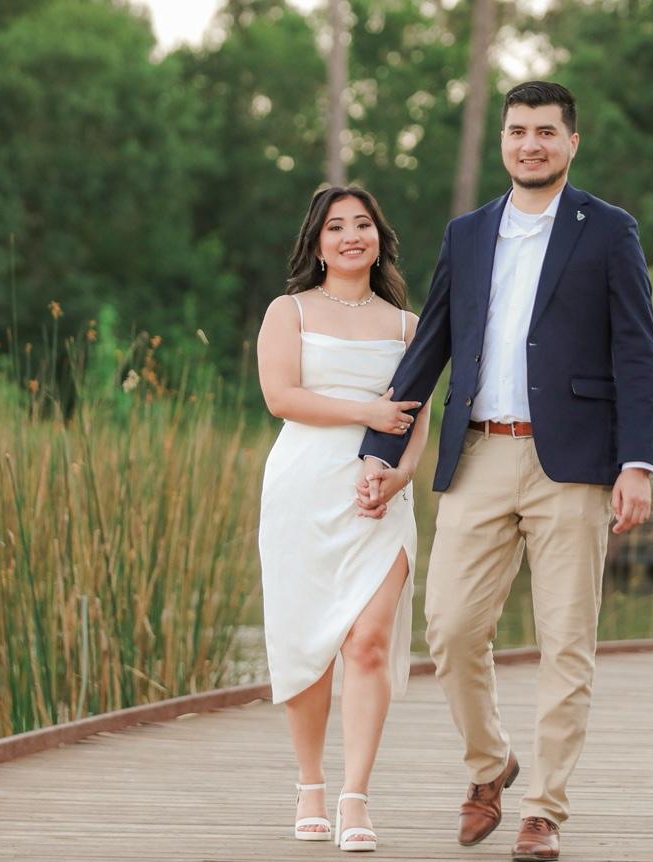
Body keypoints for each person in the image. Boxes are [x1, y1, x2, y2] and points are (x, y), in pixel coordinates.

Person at [357, 81, 653, 861]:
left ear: (571, 142)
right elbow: (430, 344)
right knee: (451, 628)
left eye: (546, 131)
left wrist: (637, 462)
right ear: (503, 141)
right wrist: (381, 452)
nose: (531, 144)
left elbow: (637, 352)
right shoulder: (467, 234)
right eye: (518, 130)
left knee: (567, 641)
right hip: (479, 454)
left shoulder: (609, 231)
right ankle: (491, 765)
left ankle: (544, 810)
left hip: (575, 466)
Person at [257, 185, 431, 851]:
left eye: (363, 224)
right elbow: (281, 397)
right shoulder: (290, 311)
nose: (351, 235)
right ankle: (310, 784)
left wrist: (398, 476)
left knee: (368, 641)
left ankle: (356, 797)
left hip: (379, 497)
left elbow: (416, 418)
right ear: (318, 243)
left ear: (380, 239)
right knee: (308, 642)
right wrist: (365, 412)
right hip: (303, 491)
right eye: (336, 226)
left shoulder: (408, 327)